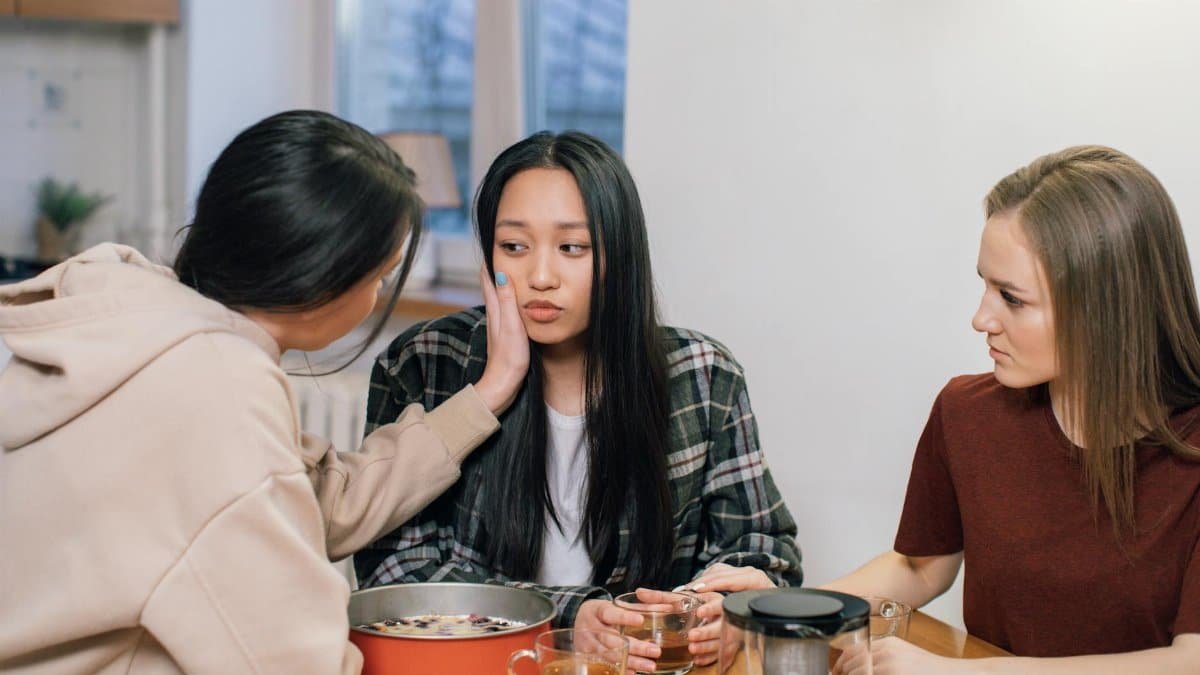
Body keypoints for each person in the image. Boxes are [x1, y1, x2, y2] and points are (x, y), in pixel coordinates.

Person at [0, 110, 528, 674]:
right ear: (322, 276)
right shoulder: (216, 388)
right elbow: (295, 658)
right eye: (380, 275)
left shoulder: (145, 326)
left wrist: (487, 394)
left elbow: (311, 499)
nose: (377, 295)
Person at [354, 130, 802, 671]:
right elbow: (395, 570)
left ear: (620, 255)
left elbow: (764, 548)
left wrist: (722, 608)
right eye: (513, 247)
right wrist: (573, 617)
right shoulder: (425, 363)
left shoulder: (704, 375)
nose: (540, 277)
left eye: (573, 248)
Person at [823, 146, 1200, 674]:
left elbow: (1190, 661)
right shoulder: (966, 414)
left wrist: (960, 673)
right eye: (984, 284)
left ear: (1105, 309)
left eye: (1012, 298)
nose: (981, 318)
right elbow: (918, 568)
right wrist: (772, 609)